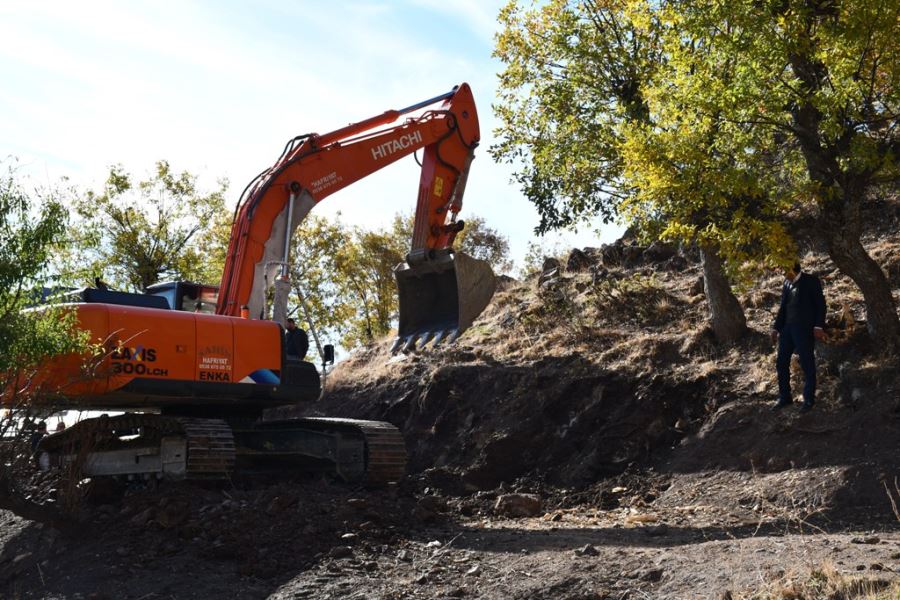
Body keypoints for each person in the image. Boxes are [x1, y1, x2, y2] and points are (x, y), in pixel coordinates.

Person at [770, 260, 827, 413]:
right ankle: (784, 397)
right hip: (787, 329)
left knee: (807, 363)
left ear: (793, 269)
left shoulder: (811, 281)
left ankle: (808, 399)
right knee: (781, 362)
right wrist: (776, 328)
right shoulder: (786, 284)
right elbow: (783, 308)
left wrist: (818, 325)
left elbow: (821, 304)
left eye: (785, 271)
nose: (783, 275)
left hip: (804, 328)